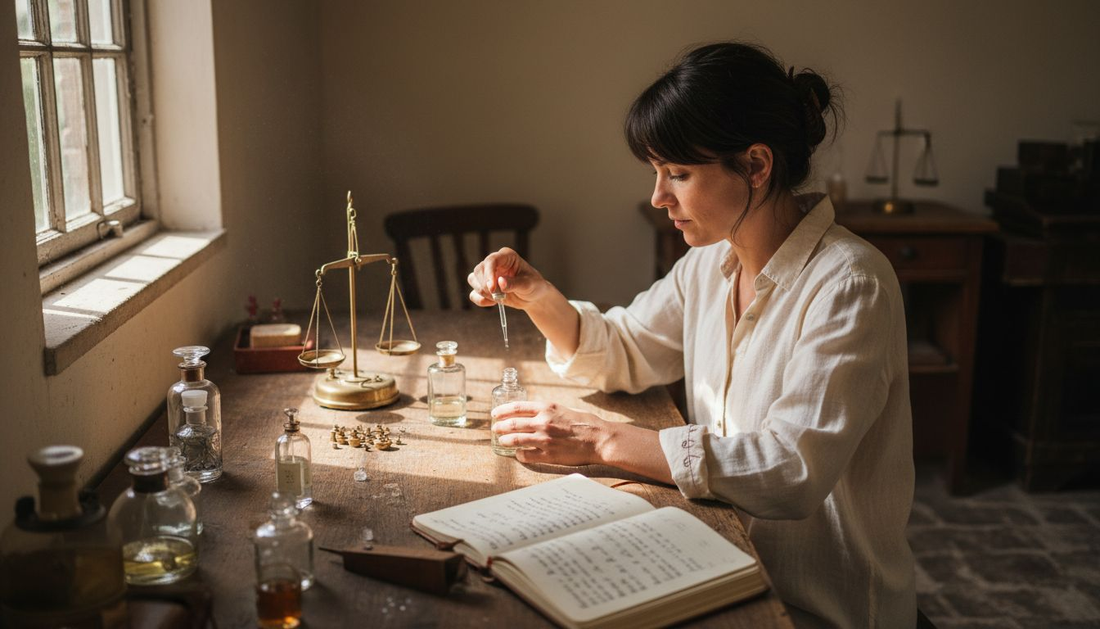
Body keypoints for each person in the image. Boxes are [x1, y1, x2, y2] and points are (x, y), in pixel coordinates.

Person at [467, 42, 916, 628]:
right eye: (656, 173)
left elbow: (789, 471)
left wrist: (603, 441)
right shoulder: (711, 264)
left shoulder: (850, 284)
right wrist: (538, 295)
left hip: (818, 606)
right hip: (723, 561)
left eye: (678, 173)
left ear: (756, 165)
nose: (659, 197)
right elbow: (625, 349)